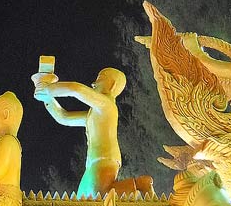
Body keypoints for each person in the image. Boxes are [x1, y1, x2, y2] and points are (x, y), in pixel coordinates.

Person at [36, 67, 153, 198]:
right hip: (92, 163)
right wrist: (47, 99)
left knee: (100, 194)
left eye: (100, 79)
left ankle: (140, 184)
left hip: (105, 158)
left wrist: (49, 89)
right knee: (83, 199)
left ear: (112, 85)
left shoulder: (107, 106)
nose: (93, 84)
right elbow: (63, 117)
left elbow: (76, 89)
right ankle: (135, 188)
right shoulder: (93, 115)